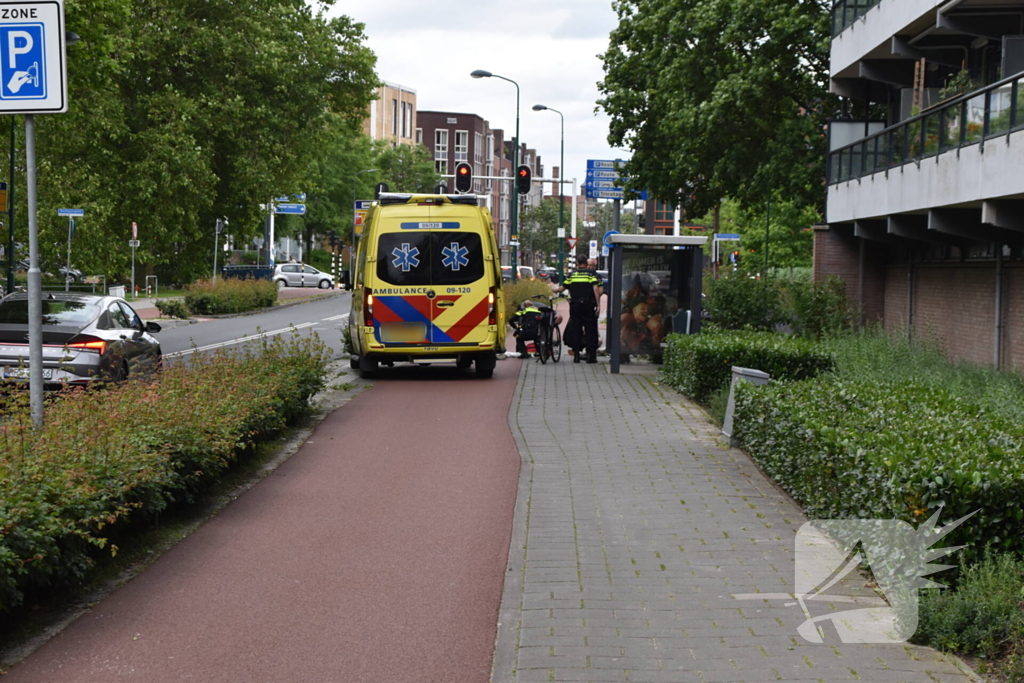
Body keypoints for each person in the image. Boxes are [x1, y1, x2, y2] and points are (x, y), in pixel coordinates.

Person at [559, 257, 603, 363]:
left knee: (576, 329)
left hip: (575, 306)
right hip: (589, 305)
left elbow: (563, 288)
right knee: (591, 330)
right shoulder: (592, 275)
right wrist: (598, 304)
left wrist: (553, 290)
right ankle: (590, 356)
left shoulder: (572, 275)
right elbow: (597, 290)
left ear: (578, 263)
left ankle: (576, 355)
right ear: (586, 264)